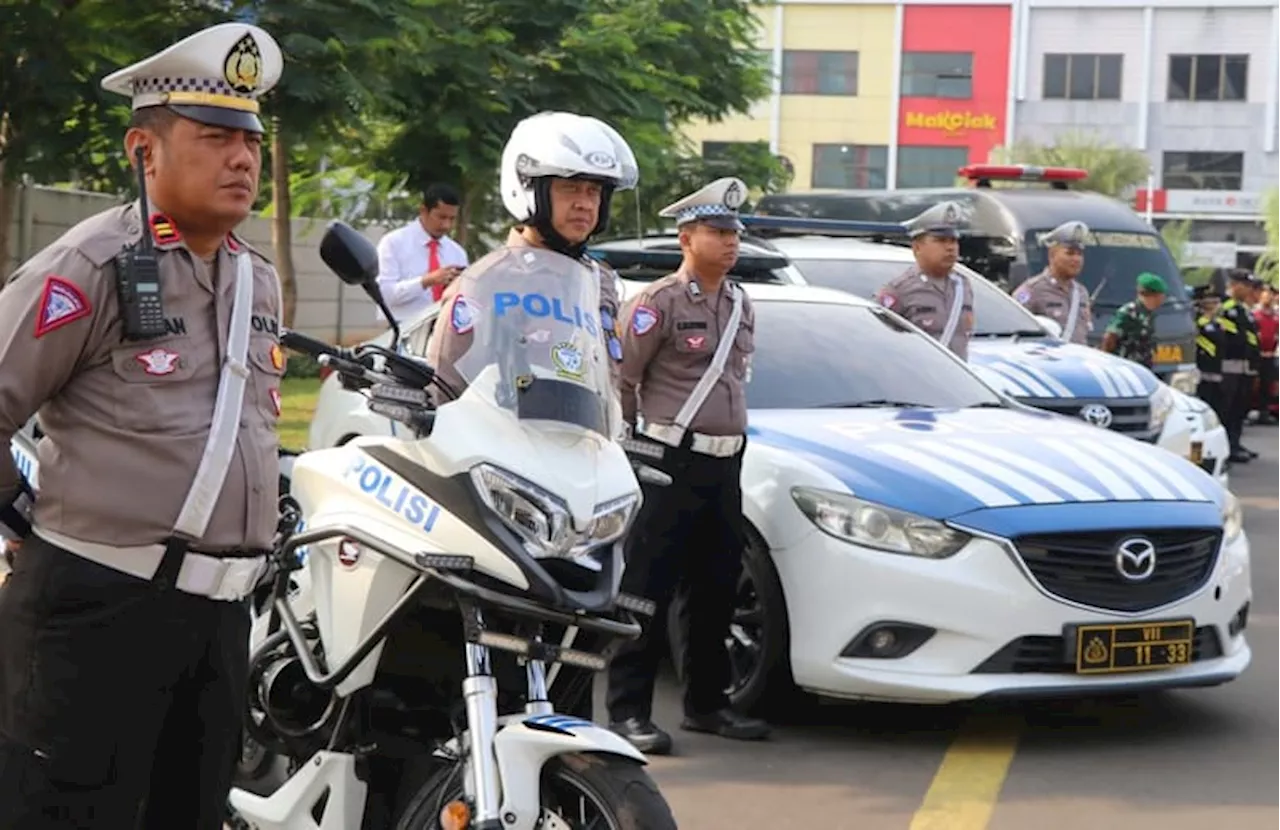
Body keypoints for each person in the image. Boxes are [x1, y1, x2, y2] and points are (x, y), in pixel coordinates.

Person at [0, 23, 284, 828]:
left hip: (219, 621)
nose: (242, 159)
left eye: (251, 141)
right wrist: (30, 516)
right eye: (215, 137)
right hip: (97, 611)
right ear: (145, 150)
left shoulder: (255, 279)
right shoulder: (89, 265)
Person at [422, 110, 637, 719]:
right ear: (530, 191)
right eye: (570, 188)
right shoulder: (485, 280)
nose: (585, 205)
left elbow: (605, 372)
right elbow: (447, 386)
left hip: (581, 487)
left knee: (585, 640)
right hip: (512, 488)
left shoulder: (599, 281)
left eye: (595, 191)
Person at [606, 176, 770, 755]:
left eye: (735, 233)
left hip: (726, 464)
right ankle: (628, 711)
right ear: (686, 238)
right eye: (718, 231)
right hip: (669, 460)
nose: (730, 243)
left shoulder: (741, 303)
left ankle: (708, 704)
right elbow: (622, 380)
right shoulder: (657, 304)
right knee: (646, 588)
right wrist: (632, 447)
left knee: (716, 587)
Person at [874, 201, 975, 359]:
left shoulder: (963, 285)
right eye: (941, 241)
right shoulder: (900, 290)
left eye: (953, 241)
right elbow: (880, 342)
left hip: (954, 380)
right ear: (917, 248)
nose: (950, 248)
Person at [375, 182, 468, 322]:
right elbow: (385, 295)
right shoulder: (393, 243)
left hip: (444, 330)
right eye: (441, 217)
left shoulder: (457, 252)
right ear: (423, 211)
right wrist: (426, 281)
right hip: (402, 329)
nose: (447, 225)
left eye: (452, 219)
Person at [1012, 220, 1094, 344]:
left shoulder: (1081, 292)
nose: (1076, 259)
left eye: (1080, 254)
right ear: (1052, 255)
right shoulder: (1033, 290)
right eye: (1070, 253)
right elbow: (1014, 328)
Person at [1218, 269, 1261, 462]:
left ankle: (1235, 442)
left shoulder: (1243, 310)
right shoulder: (1224, 309)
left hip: (1244, 367)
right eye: (1246, 287)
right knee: (1227, 409)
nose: (1249, 291)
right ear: (1235, 285)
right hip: (1228, 367)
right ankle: (1227, 446)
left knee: (1239, 408)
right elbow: (1232, 338)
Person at [1099, 272, 1166, 368]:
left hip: (1141, 367)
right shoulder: (1129, 312)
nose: (1163, 299)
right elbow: (1110, 338)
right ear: (1152, 295)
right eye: (1161, 295)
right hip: (1125, 367)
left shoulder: (1149, 314)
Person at [1194, 284, 1227, 428]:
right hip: (1204, 369)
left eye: (1216, 301)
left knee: (1218, 402)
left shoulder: (1218, 323)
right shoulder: (1199, 323)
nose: (1215, 305)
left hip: (1217, 368)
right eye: (1211, 301)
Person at [1248, 277, 1278, 424]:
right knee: (1253, 384)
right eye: (1265, 295)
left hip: (1270, 355)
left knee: (1267, 384)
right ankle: (1246, 411)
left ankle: (1264, 413)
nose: (1268, 298)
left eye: (1270, 295)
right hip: (1256, 355)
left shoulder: (1276, 316)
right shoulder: (1254, 315)